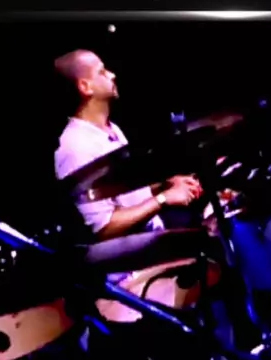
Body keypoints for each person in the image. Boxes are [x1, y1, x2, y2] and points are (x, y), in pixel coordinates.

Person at [53, 49, 203, 242]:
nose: (112, 75)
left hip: (154, 237)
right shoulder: (75, 147)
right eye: (102, 72)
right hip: (133, 258)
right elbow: (103, 228)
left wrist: (165, 185)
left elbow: (126, 196)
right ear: (85, 86)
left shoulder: (110, 128)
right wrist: (163, 199)